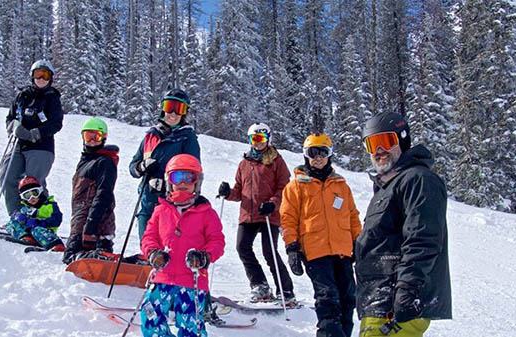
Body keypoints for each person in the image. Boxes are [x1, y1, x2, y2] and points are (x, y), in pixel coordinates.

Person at [355, 113, 451, 337]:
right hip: (377, 296)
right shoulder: (387, 186)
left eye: (386, 142)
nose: (379, 151)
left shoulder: (417, 179)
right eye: (372, 144)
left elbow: (422, 238)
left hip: (396, 296)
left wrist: (407, 288)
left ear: (403, 139)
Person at [280, 133, 362, 337]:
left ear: (330, 155)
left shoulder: (341, 185)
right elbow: (288, 218)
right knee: (328, 299)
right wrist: (292, 248)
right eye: (313, 153)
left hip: (343, 251)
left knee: (348, 299)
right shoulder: (297, 186)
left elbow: (352, 216)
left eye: (323, 152)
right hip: (316, 252)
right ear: (306, 156)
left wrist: (359, 242)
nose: (318, 158)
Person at [140, 154, 225, 337]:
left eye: (189, 177)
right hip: (163, 277)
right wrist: (153, 253)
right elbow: (149, 237)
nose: (183, 183)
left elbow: (217, 241)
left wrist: (204, 256)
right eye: (177, 177)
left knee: (190, 325)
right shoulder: (161, 210)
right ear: (169, 181)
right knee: (150, 314)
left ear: (197, 182)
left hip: (192, 280)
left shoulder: (206, 213)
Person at [217, 122, 296, 304]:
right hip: (248, 214)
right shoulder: (244, 163)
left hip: (268, 214)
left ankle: (286, 290)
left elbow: (284, 188)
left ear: (268, 139)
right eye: (254, 139)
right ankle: (259, 285)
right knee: (242, 247)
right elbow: (239, 191)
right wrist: (228, 192)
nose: (258, 143)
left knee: (269, 252)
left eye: (261, 138)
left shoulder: (277, 161)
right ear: (250, 140)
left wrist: (272, 204)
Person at [129, 88, 200, 241]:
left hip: (172, 205)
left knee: (166, 248)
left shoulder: (187, 138)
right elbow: (133, 166)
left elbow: (193, 171)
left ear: (184, 113)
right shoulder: (151, 137)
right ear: (162, 109)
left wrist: (166, 185)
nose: (173, 113)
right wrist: (141, 167)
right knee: (147, 244)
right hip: (147, 201)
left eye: (178, 109)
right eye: (169, 107)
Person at [2, 60, 64, 216]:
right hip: (19, 144)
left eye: (45, 75)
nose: (41, 79)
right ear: (32, 76)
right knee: (7, 177)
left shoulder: (52, 98)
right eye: (38, 75)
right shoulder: (23, 96)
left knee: (33, 183)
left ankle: (42, 219)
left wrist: (35, 133)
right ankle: (17, 218)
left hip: (41, 147)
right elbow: (10, 117)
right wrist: (14, 128)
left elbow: (56, 124)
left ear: (51, 79)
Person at [62, 118, 119, 265]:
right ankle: (102, 257)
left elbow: (104, 194)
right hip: (81, 221)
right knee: (71, 259)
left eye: (97, 136)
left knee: (73, 259)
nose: (92, 140)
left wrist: (91, 226)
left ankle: (112, 259)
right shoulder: (86, 161)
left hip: (95, 222)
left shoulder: (104, 162)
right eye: (88, 136)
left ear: (104, 138)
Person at [6, 176, 64, 251]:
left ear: (40, 192)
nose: (32, 197)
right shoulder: (25, 208)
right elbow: (14, 216)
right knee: (11, 224)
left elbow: (57, 219)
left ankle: (55, 244)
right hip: (29, 233)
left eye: (34, 193)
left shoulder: (50, 205)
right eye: (27, 196)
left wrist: (41, 222)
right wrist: (17, 216)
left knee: (36, 230)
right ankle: (26, 237)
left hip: (45, 232)